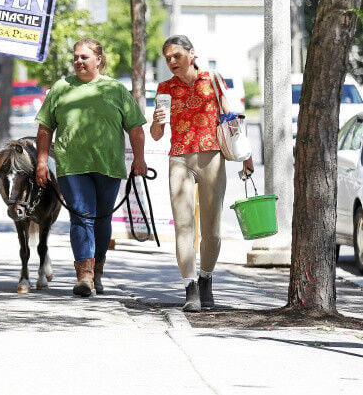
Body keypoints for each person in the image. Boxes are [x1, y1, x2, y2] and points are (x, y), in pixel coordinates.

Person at [35, 38, 148, 297]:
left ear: (99, 59)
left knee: (102, 219)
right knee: (81, 215)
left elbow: (135, 128)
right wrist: (42, 161)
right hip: (72, 165)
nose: (78, 61)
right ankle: (83, 276)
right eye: (76, 57)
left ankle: (97, 269)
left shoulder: (115, 89)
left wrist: (139, 160)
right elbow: (44, 129)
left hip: (108, 165)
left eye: (84, 57)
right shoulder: (61, 89)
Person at [150, 35, 254, 312]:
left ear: (191, 54)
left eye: (177, 56)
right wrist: (157, 124)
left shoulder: (212, 79)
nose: (172, 61)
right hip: (179, 159)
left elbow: (229, 117)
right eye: (168, 58)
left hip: (212, 158)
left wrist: (247, 156)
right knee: (183, 226)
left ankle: (206, 278)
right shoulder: (164, 88)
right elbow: (157, 135)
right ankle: (190, 287)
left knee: (212, 229)